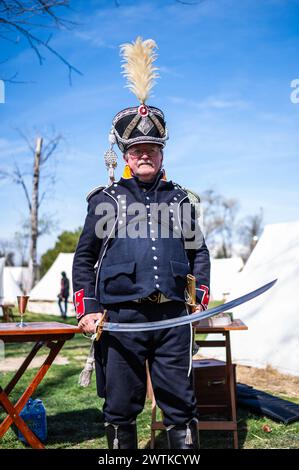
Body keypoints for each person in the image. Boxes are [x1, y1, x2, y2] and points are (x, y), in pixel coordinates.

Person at [72, 37, 210, 449]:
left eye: (151, 148)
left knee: (181, 406)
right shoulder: (106, 200)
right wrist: (89, 309)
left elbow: (197, 253)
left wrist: (199, 296)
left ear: (161, 154)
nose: (145, 155)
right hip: (121, 320)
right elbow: (85, 260)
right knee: (120, 406)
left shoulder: (181, 199)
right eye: (137, 150)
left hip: (172, 319)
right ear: (126, 156)